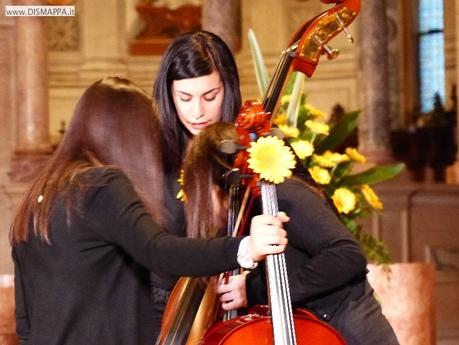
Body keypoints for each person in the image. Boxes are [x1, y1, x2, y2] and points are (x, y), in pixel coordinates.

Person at [9, 77, 288, 345]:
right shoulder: (101, 184)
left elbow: (25, 321)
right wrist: (245, 247)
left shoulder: (39, 197)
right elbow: (159, 251)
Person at [181, 122, 400, 345]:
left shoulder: (285, 194)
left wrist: (255, 290)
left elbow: (346, 254)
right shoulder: (247, 210)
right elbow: (291, 261)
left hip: (348, 331)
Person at [151, 30, 242, 337]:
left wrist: (253, 283)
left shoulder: (250, 149)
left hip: (240, 315)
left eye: (210, 96)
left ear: (227, 89)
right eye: (185, 98)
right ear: (169, 94)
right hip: (164, 317)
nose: (198, 112)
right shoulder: (155, 156)